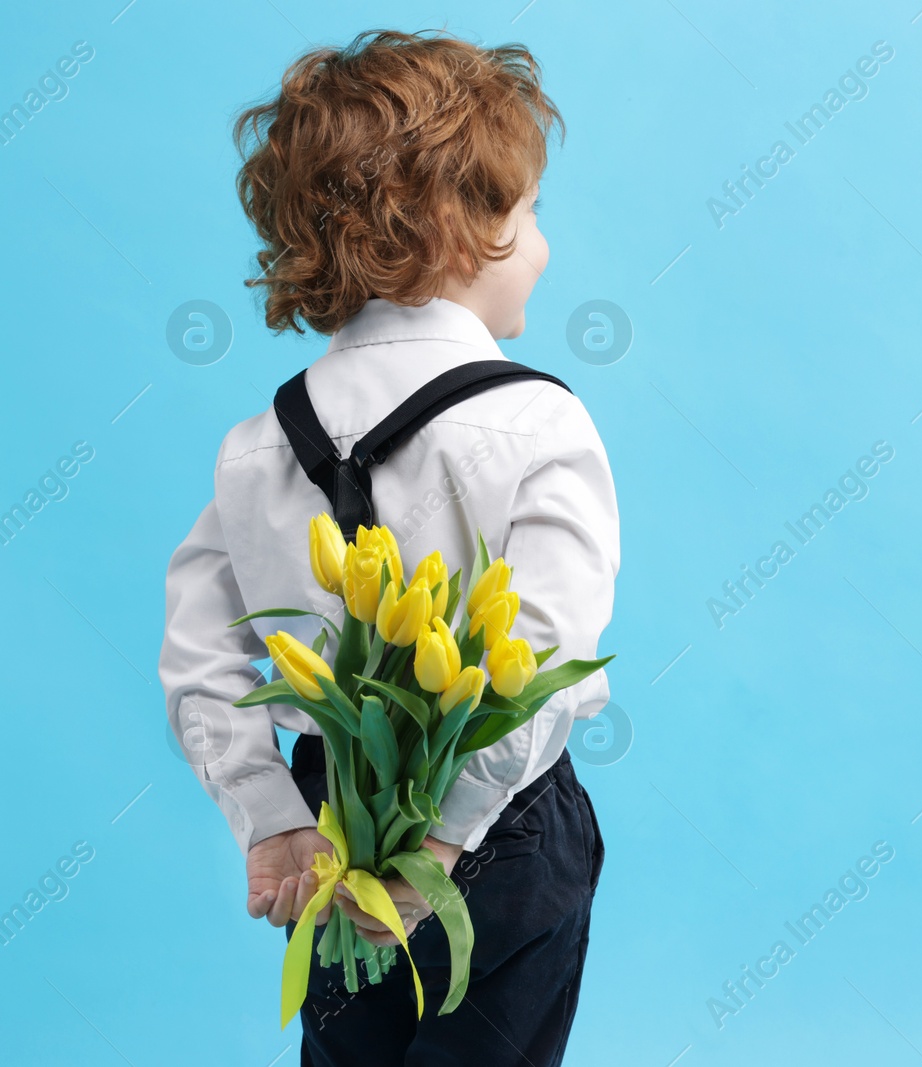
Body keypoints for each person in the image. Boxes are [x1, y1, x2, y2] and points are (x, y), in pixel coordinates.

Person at [157, 28, 619, 1065]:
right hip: (504, 831)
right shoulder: (542, 422)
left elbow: (197, 655)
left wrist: (271, 816)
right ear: (461, 227)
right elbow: (544, 657)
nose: (540, 240)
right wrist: (447, 838)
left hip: (334, 834)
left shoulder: (260, 443)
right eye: (529, 209)